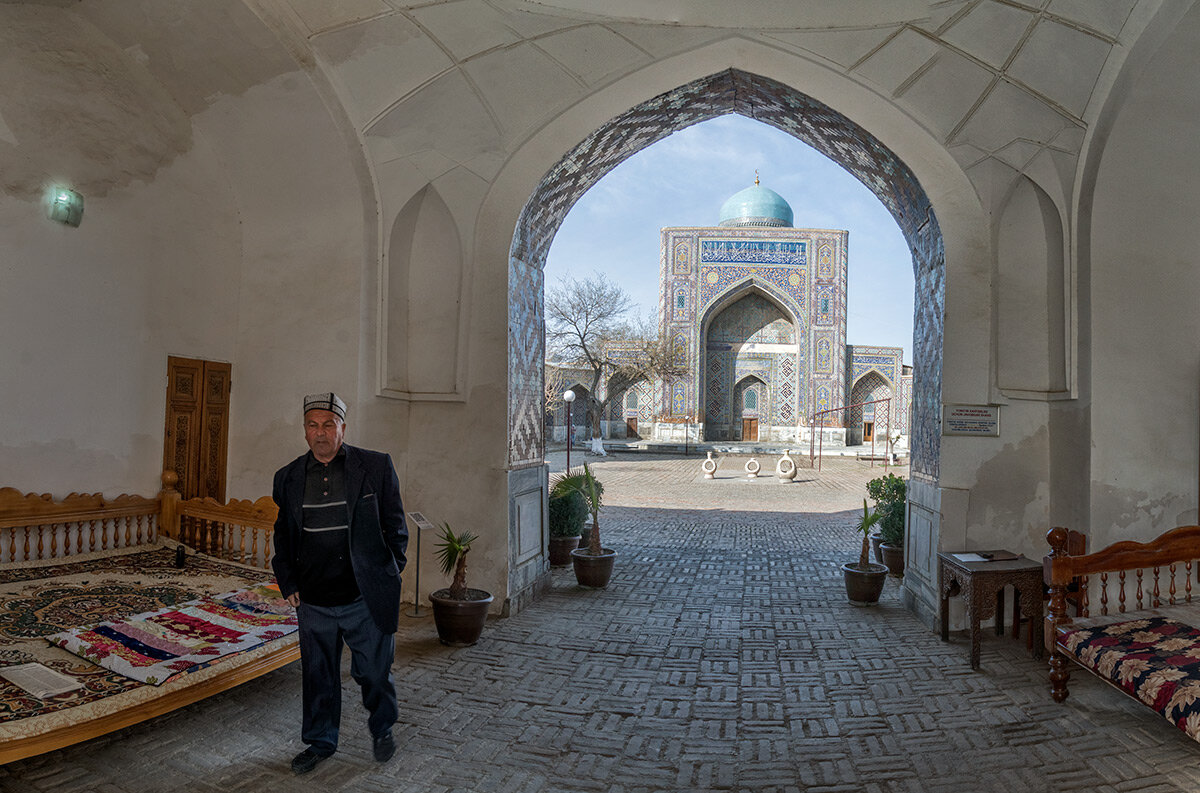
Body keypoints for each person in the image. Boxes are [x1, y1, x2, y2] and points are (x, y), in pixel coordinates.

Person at [271, 393, 408, 775]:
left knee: (375, 673)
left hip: (363, 596)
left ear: (343, 428)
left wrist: (388, 574)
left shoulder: (375, 467)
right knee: (318, 675)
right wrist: (288, 580)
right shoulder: (288, 477)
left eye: (328, 425)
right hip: (313, 599)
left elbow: (396, 527)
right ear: (304, 431)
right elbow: (283, 536)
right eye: (312, 425)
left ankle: (382, 727)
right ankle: (320, 741)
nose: (320, 433)